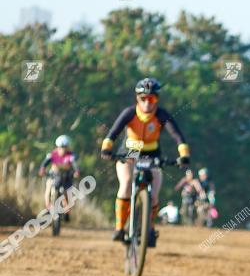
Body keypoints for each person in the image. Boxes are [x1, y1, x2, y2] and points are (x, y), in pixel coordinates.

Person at [100, 78, 191, 246]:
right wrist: (106, 149)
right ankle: (119, 227)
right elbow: (113, 132)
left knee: (154, 193)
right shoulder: (130, 113)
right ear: (137, 98)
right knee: (126, 183)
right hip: (131, 150)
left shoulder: (161, 115)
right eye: (143, 98)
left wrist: (184, 155)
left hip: (151, 152)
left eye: (152, 99)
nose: (147, 103)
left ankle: (149, 228)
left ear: (157, 99)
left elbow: (177, 136)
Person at [38, 135, 80, 214]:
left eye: (64, 147)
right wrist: (42, 169)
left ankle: (67, 209)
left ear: (67, 147)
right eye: (60, 147)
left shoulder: (71, 155)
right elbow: (45, 163)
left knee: (67, 192)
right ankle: (48, 206)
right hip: (54, 175)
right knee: (49, 186)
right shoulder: (53, 154)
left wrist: (77, 171)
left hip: (66, 177)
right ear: (57, 147)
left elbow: (74, 164)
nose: (62, 150)